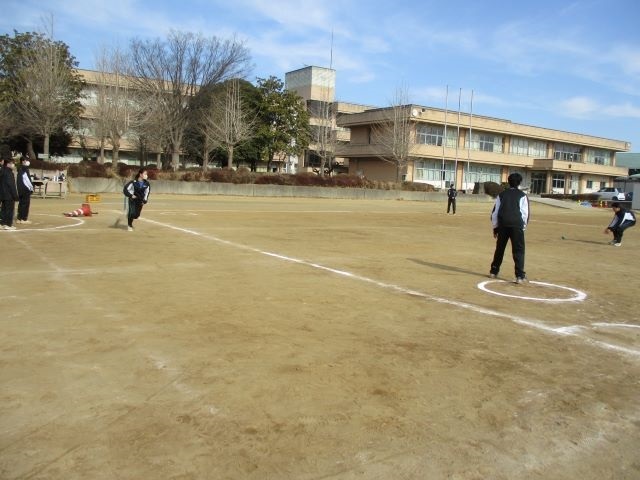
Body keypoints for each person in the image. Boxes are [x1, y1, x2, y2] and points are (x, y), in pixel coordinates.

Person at [488, 172, 530, 283]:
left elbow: (495, 213)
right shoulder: (522, 195)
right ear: (519, 183)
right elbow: (525, 213)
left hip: (503, 224)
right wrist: (523, 227)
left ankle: (493, 271)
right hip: (516, 225)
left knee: (500, 248)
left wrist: (495, 228)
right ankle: (519, 276)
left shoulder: (501, 195)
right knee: (518, 250)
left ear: (508, 182)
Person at [0, 158, 19, 230]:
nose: (13, 165)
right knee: (9, 210)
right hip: (9, 195)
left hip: (3, 194)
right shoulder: (9, 173)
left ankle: (2, 223)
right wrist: (15, 196)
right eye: (12, 163)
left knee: (3, 209)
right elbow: (11, 185)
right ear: (8, 164)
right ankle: (8, 224)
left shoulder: (2, 171)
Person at [16, 155, 34, 224]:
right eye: (25, 160)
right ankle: (23, 219)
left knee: (21, 204)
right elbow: (27, 180)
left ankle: (19, 218)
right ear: (23, 161)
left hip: (21, 189)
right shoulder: (23, 169)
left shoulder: (20, 169)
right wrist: (30, 188)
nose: (27, 162)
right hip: (25, 190)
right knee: (25, 204)